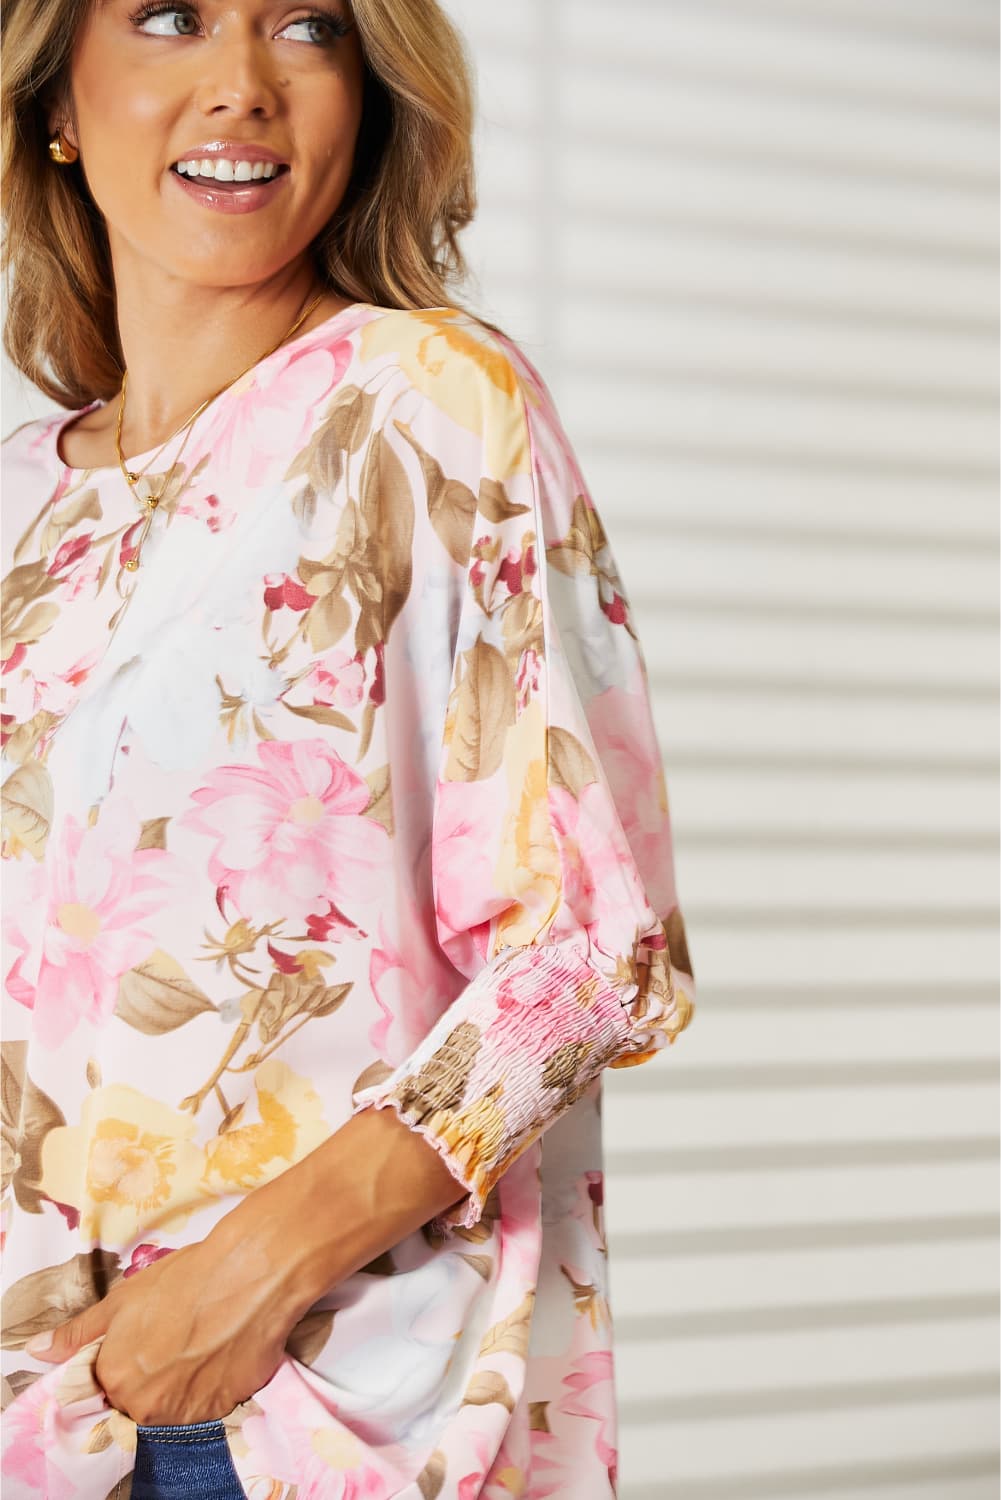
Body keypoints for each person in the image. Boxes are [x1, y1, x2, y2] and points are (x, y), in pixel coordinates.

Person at [0, 0, 696, 1495]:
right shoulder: (20, 501)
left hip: (282, 1403)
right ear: (57, 93)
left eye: (305, 28)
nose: (240, 87)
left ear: (367, 96)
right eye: (171, 19)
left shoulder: (430, 406)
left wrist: (232, 1292)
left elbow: (587, 951)